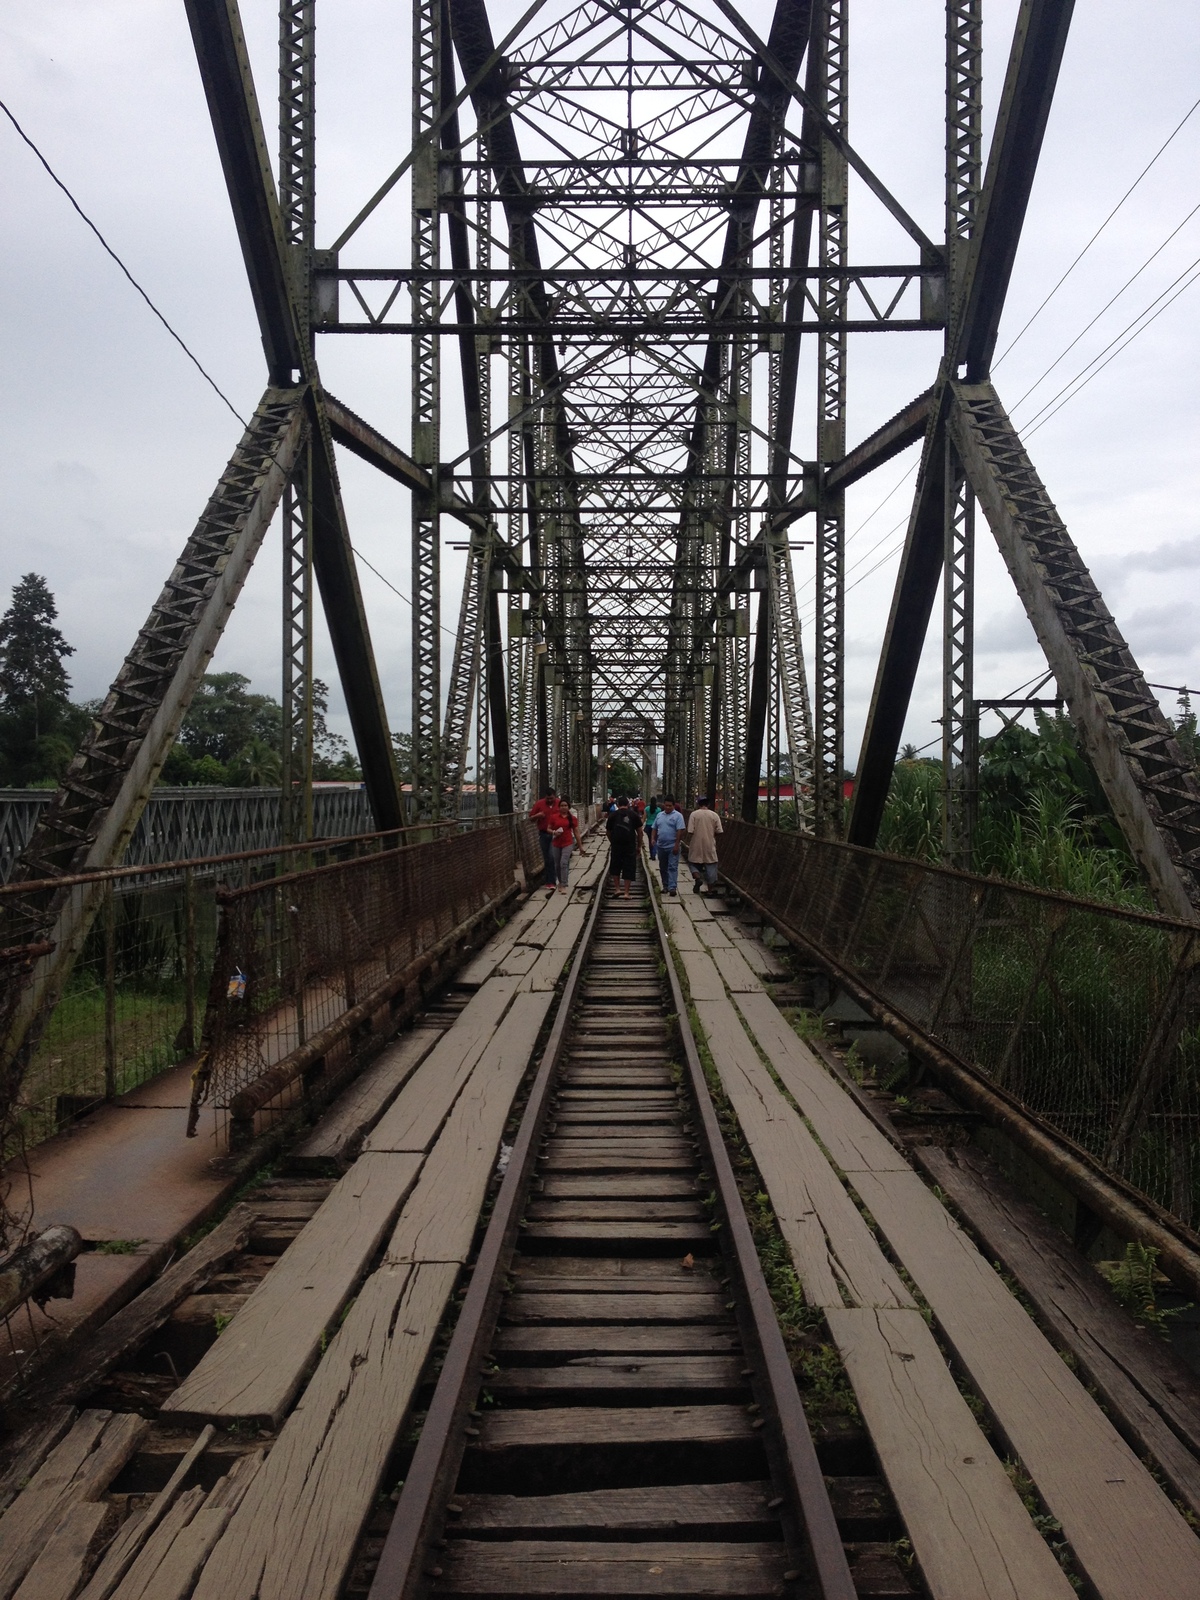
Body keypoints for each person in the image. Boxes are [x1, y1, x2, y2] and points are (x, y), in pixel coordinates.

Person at [685, 795, 723, 894]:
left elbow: (690, 831)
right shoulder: (714, 815)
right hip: (709, 844)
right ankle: (710, 890)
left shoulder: (694, 814)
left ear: (698, 804)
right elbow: (719, 831)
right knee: (711, 866)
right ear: (708, 804)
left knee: (693, 863)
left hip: (696, 844)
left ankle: (698, 878)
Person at [606, 794, 642, 898]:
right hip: (629, 845)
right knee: (629, 867)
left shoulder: (612, 815)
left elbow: (608, 831)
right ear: (628, 804)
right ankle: (626, 892)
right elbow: (640, 832)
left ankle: (617, 889)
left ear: (617, 804)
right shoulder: (633, 815)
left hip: (616, 845)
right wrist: (639, 846)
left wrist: (612, 841)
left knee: (615, 866)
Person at [650, 794, 685, 895]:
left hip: (672, 845)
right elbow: (654, 827)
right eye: (666, 805)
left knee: (672, 866)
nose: (668, 807)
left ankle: (672, 887)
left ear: (674, 806)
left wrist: (676, 844)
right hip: (661, 845)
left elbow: (680, 830)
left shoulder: (678, 816)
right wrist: (653, 838)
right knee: (663, 867)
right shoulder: (660, 815)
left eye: (670, 806)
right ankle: (665, 886)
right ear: (663, 805)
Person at [529, 787, 558, 893]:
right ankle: (549, 880)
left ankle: (552, 881)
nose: (550, 800)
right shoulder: (539, 804)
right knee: (547, 858)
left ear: (555, 796)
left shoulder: (560, 804)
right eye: (548, 799)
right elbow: (531, 818)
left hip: (556, 834)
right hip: (544, 834)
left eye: (551, 798)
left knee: (551, 856)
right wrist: (538, 815)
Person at [549, 794, 578, 893]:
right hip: (556, 843)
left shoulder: (572, 818)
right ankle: (560, 881)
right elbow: (548, 828)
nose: (564, 807)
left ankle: (563, 884)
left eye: (565, 805)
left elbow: (576, 831)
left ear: (568, 807)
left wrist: (580, 846)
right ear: (559, 807)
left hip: (568, 842)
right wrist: (553, 832)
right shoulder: (554, 817)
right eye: (562, 805)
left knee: (563, 863)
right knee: (557, 864)